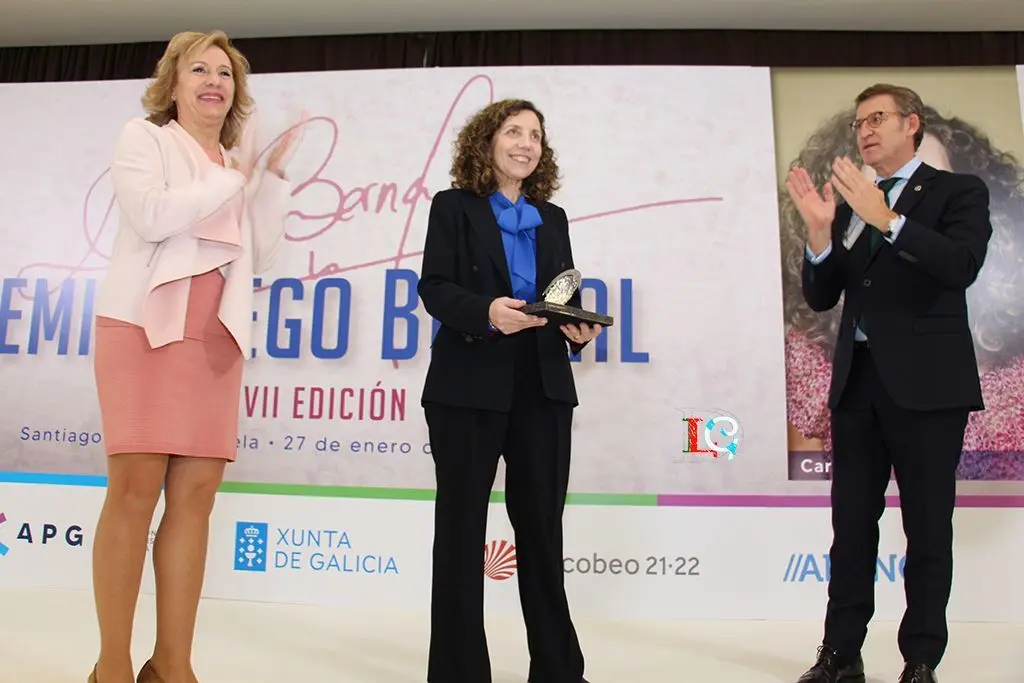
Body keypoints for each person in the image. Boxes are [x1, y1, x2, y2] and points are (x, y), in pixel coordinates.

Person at [88, 30, 298, 683]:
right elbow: (151, 216)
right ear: (173, 84)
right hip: (143, 327)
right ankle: (113, 665)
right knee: (133, 490)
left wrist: (269, 182)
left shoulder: (236, 167)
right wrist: (231, 178)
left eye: (226, 73)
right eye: (199, 69)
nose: (214, 80)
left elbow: (259, 258)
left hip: (216, 334)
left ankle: (172, 663)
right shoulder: (144, 139)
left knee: (197, 495)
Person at [786, 83, 992, 683]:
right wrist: (822, 236)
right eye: (858, 123)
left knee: (928, 528)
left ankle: (921, 658)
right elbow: (824, 295)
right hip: (859, 387)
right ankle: (840, 653)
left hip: (929, 390)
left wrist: (891, 221)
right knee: (850, 528)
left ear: (912, 124)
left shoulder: (959, 192)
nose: (865, 131)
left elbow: (960, 266)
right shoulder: (853, 205)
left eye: (877, 118)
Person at [417, 99, 600, 683]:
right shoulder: (452, 207)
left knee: (543, 534)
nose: (526, 143)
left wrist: (576, 330)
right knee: (461, 534)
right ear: (486, 141)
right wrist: (488, 313)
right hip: (468, 384)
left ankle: (558, 671)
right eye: (513, 131)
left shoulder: (555, 218)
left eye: (535, 136)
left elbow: (561, 295)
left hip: (542, 386)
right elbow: (435, 288)